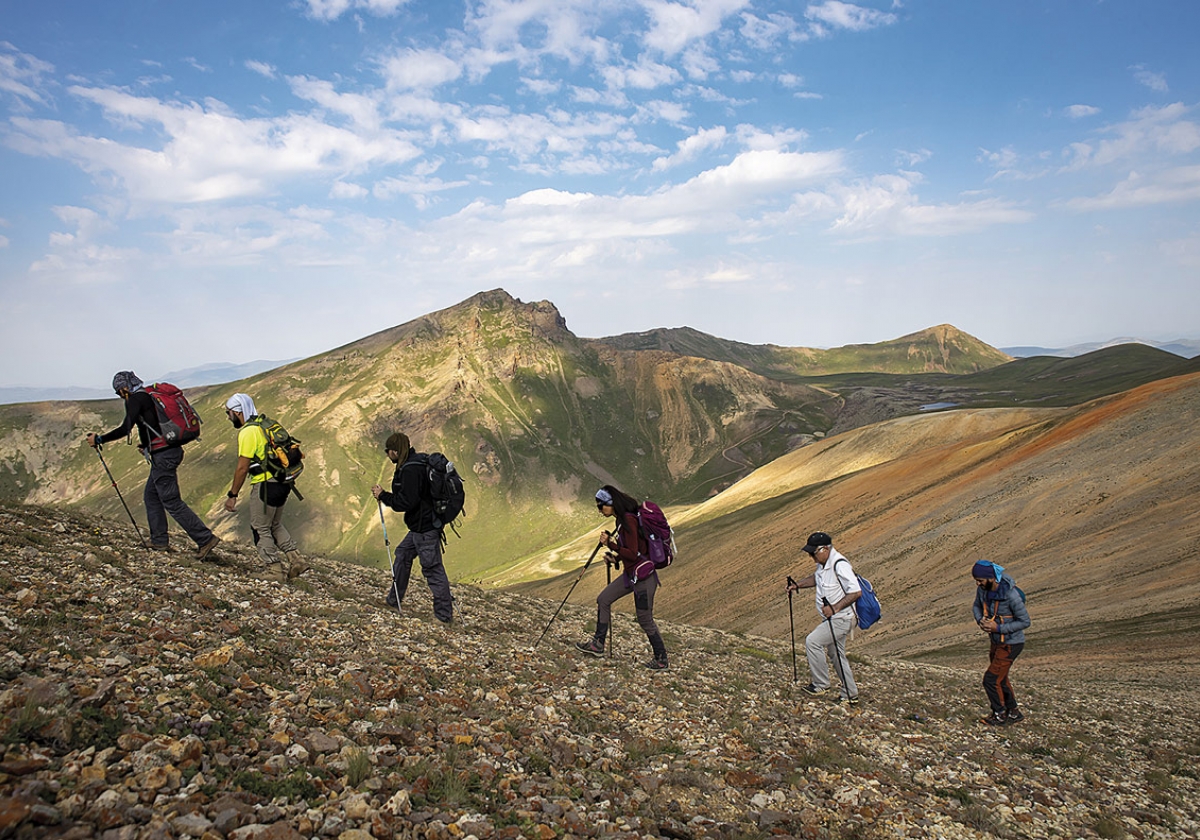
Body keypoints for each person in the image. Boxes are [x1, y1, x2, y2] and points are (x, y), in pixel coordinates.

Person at [86, 371, 219, 558]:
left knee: (171, 501)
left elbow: (126, 428)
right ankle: (159, 540)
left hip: (164, 456)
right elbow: (153, 425)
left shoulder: (135, 399)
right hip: (166, 452)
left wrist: (99, 439)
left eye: (119, 391)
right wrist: (148, 446)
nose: (120, 395)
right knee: (151, 496)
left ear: (125, 387)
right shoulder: (147, 396)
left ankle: (205, 539)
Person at [576, 486, 669, 670]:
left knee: (644, 619)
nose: (600, 511)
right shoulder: (622, 520)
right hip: (632, 576)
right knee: (603, 599)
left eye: (601, 507)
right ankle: (598, 644)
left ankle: (661, 659)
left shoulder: (628, 520)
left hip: (643, 578)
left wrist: (610, 544)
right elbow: (634, 551)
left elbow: (633, 553)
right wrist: (616, 557)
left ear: (611, 504)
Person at [222, 393, 307, 582]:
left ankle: (273, 569)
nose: (229, 418)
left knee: (260, 526)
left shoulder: (247, 432)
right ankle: (296, 560)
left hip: (265, 485)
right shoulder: (265, 424)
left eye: (229, 413)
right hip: (283, 482)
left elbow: (242, 467)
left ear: (237, 412)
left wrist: (232, 494)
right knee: (274, 524)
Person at [371, 432, 454, 624]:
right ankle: (394, 600)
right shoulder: (420, 460)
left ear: (394, 450)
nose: (387, 455)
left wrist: (383, 495)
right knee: (403, 554)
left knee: (432, 569)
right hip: (423, 525)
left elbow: (405, 502)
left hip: (424, 528)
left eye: (387, 451)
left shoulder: (409, 470)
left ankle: (444, 617)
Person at [786, 531, 861, 705]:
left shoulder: (839, 564)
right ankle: (850, 695)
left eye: (814, 553)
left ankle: (821, 684)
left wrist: (835, 608)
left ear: (825, 548)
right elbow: (816, 579)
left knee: (813, 641)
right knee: (836, 653)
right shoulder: (823, 564)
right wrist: (798, 585)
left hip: (842, 617)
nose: (812, 557)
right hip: (835, 618)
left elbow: (856, 591)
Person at [972, 560, 1030, 726]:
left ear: (991, 578)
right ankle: (1013, 712)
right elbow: (976, 606)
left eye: (981, 580)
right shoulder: (983, 590)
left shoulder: (1012, 596)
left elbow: (1025, 622)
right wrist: (980, 621)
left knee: (991, 679)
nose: (978, 583)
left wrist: (998, 627)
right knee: (1000, 678)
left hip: (1011, 643)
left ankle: (999, 714)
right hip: (997, 641)